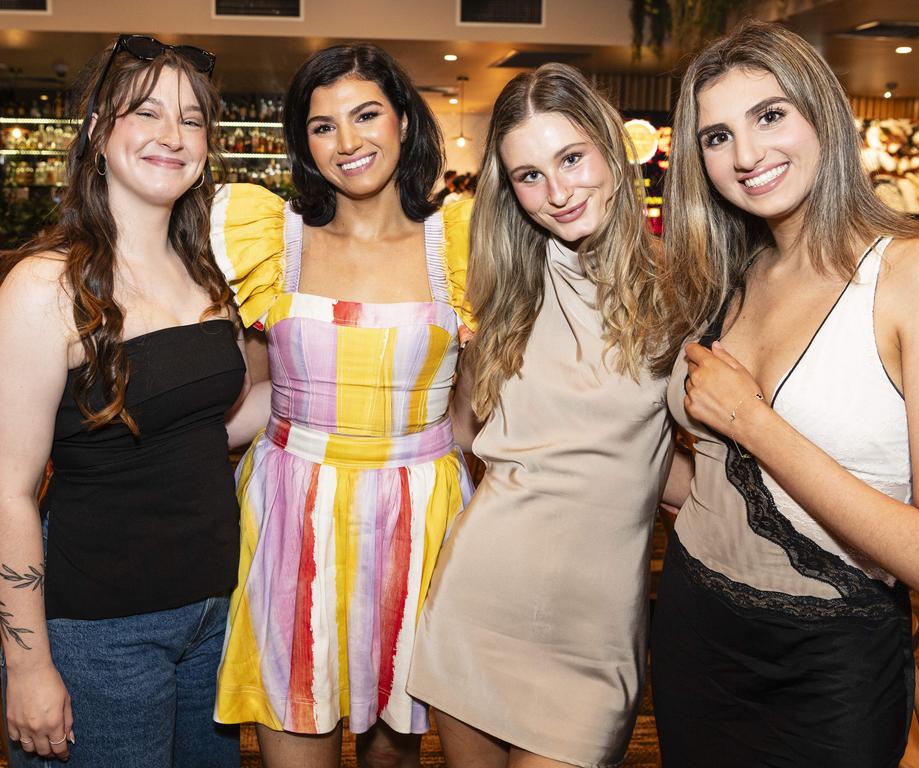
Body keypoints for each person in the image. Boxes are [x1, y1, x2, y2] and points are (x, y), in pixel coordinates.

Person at [650, 21, 919, 767]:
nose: (745, 155)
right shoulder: (731, 276)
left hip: (827, 663)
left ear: (822, 115)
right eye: (715, 136)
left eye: (770, 115)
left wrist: (751, 420)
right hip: (692, 627)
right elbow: (706, 481)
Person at [209, 43, 475, 768]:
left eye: (366, 115)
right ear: (302, 142)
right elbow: (256, 390)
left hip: (421, 516)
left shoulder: (457, 244)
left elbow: (474, 411)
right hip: (293, 511)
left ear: (404, 122)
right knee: (294, 713)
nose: (348, 141)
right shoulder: (274, 243)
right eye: (322, 126)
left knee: (395, 750)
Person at [407, 63, 675, 768]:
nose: (556, 193)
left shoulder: (683, 290)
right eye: (528, 176)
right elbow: (470, 434)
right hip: (478, 603)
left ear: (614, 152)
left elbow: (666, 464)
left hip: (595, 635)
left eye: (571, 158)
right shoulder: (507, 291)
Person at [0, 35, 249, 767]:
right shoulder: (45, 288)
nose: (173, 136)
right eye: (146, 112)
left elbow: (209, 422)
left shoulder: (208, 272)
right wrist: (27, 666)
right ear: (99, 132)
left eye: (193, 119)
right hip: (101, 631)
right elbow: (8, 492)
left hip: (216, 616)